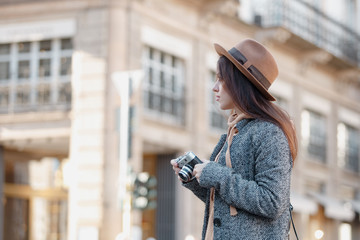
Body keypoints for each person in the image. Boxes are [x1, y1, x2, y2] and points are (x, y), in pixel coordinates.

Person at [170, 39, 297, 240]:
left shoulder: (269, 133)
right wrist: (195, 178)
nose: (214, 87)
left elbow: (272, 202)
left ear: (240, 84)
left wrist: (216, 174)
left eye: (221, 79)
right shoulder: (235, 131)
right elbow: (228, 206)